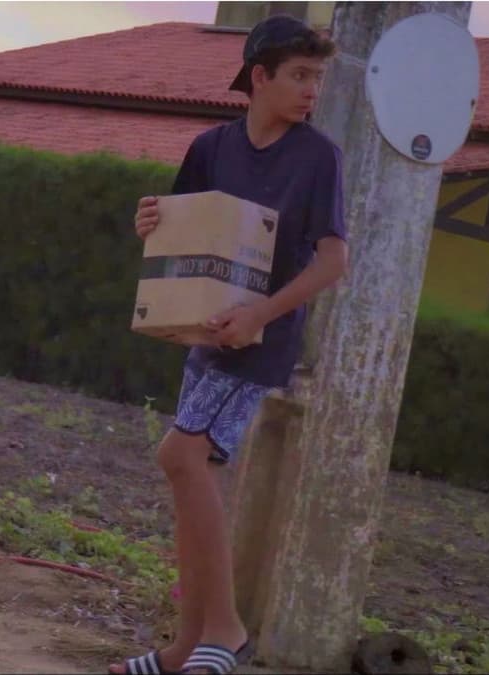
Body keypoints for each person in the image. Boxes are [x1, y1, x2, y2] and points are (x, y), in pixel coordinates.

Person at [109, 14, 349, 675]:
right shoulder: (211, 146)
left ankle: (226, 628)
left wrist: (258, 315)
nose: (312, 90)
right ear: (260, 77)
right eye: (300, 75)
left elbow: (334, 261)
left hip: (260, 342)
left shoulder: (318, 156)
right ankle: (186, 647)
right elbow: (178, 230)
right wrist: (149, 221)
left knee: (180, 454)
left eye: (317, 78)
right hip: (204, 336)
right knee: (193, 476)